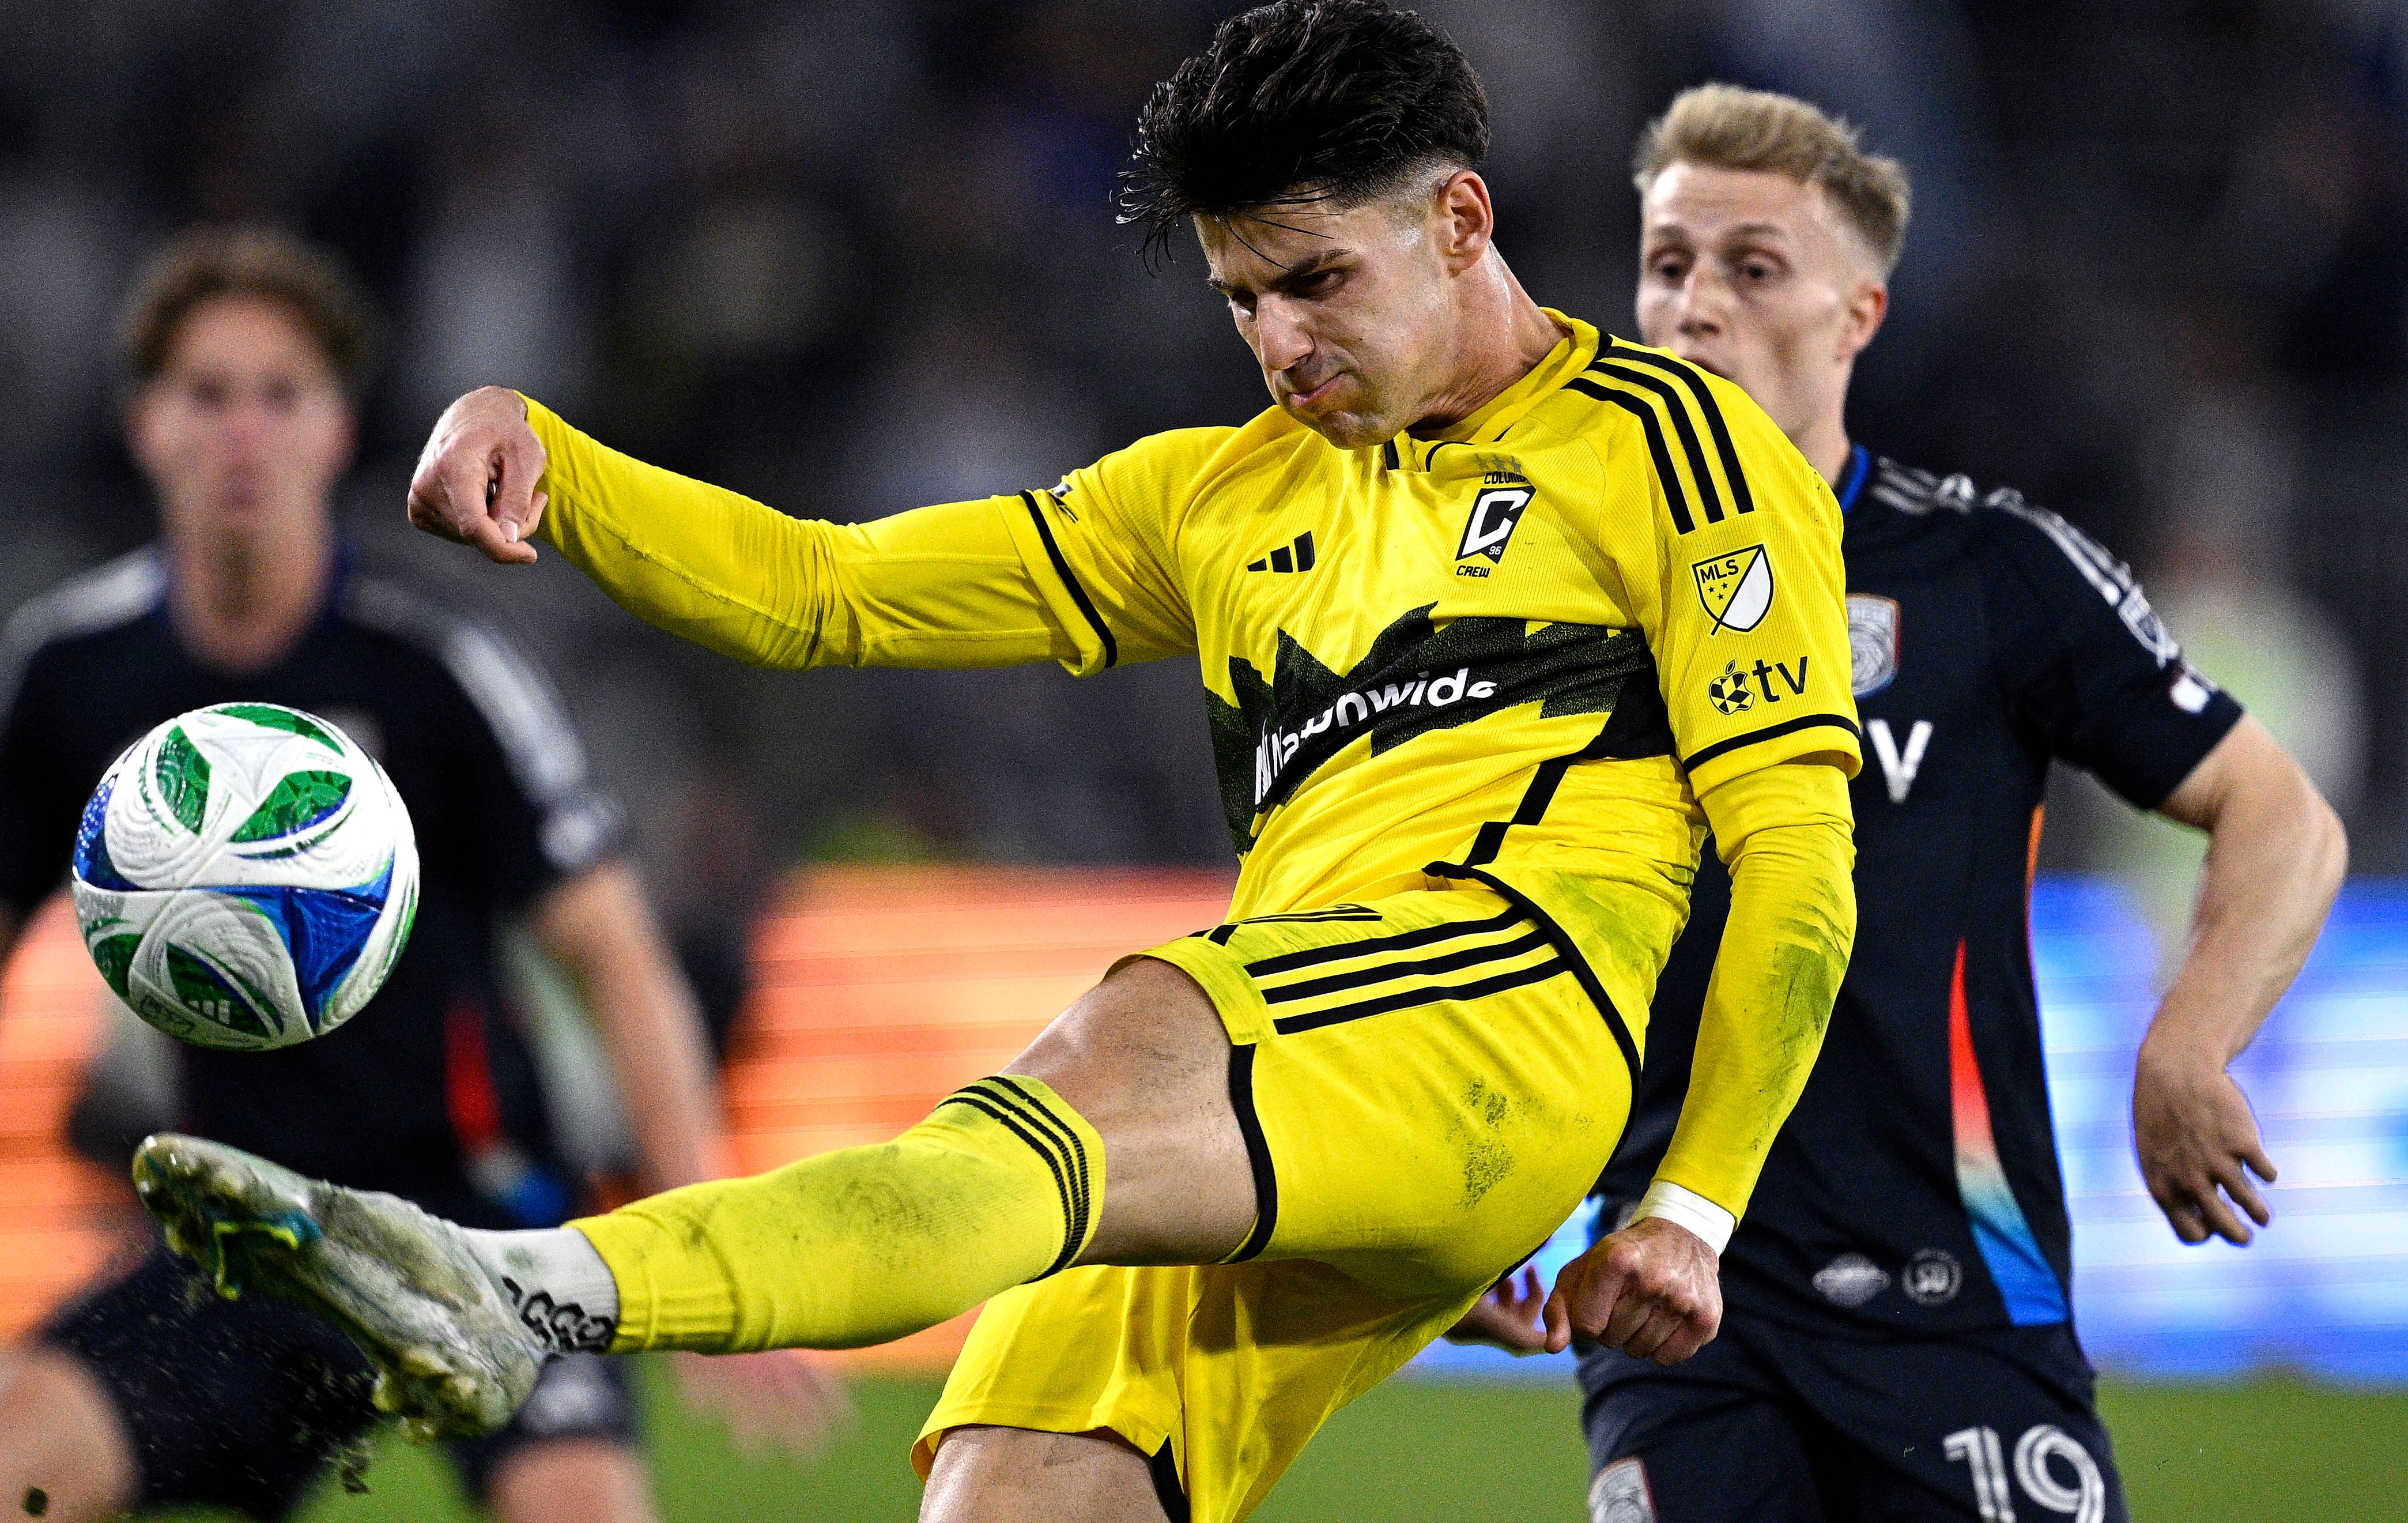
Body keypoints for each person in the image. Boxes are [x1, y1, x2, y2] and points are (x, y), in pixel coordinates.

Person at [133, 7, 1867, 1520]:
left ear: (1460, 219)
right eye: (1243, 297)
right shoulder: (1214, 496)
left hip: (1501, 1016)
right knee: (1018, 1485)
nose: (1279, 344)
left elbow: (1796, 850)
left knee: (1119, 1036)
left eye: (1318, 279)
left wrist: (1695, 1202)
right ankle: (524, 1289)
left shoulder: (1677, 451)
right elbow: (830, 591)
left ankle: (527, 1290)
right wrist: (556, 462)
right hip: (1312, 1093)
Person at [0, 225, 838, 1523]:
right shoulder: (71, 673)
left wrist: (708, 1237)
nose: (241, 431)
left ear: (335, 429)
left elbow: (616, 953)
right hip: (237, 1231)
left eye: (279, 394)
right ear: (146, 425)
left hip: (477, 1232)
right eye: (205, 393)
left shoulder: (435, 667)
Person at [1444, 86, 2347, 1523]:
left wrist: (2188, 1040)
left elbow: (2279, 811)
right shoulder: (1542, 586)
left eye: (1751, 267)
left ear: (1856, 312)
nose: (1692, 305)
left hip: (1963, 1299)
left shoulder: (1985, 571)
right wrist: (1449, 1207)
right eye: (1667, 262)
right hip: (1676, 1302)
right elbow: (1449, 895)